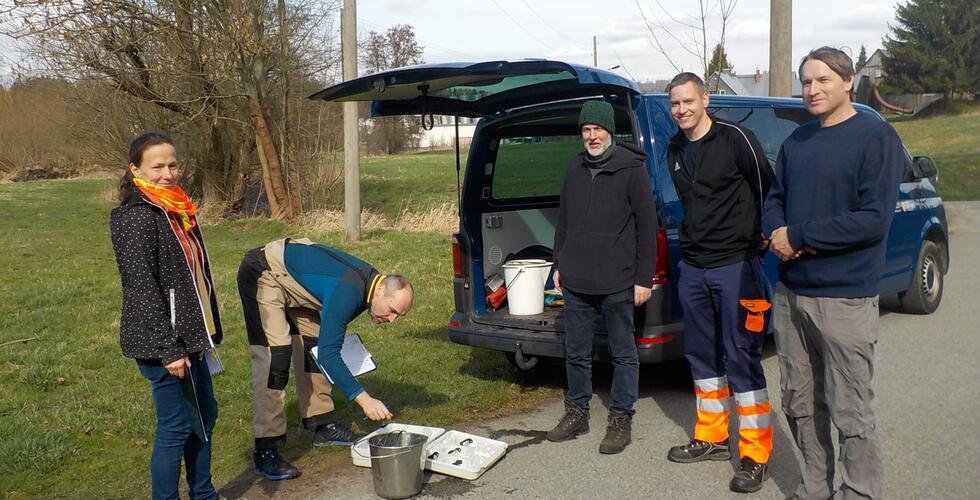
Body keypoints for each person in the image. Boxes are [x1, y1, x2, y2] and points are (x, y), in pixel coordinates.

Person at [763, 47, 903, 500]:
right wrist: (775, 231)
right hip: (792, 294)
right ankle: (814, 488)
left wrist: (799, 235)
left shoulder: (874, 137)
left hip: (844, 297)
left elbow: (873, 218)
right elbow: (774, 200)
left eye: (823, 79)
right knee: (801, 403)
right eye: (805, 81)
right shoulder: (797, 142)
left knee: (850, 408)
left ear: (847, 82)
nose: (812, 89)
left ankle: (859, 492)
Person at [663, 72, 775, 493]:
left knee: (742, 355)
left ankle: (754, 454)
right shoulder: (675, 149)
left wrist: (761, 237)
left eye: (688, 101)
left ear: (705, 99)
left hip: (736, 265)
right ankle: (711, 436)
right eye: (675, 104)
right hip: (694, 267)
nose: (682, 110)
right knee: (701, 356)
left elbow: (768, 190)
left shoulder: (735, 139)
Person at [236, 238, 413, 480]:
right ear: (382, 289)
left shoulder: (368, 287)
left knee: (315, 346)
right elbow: (330, 355)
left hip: (297, 283)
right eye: (392, 310)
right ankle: (265, 450)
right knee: (274, 358)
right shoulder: (351, 290)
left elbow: (327, 347)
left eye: (398, 316)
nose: (391, 320)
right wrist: (365, 399)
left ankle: (323, 425)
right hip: (265, 271)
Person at [109, 132, 223, 500]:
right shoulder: (137, 215)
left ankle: (203, 494)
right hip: (165, 344)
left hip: (191, 335)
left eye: (172, 164)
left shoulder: (175, 207)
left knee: (204, 415)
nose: (167, 173)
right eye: (157, 166)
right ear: (135, 169)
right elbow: (141, 286)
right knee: (176, 427)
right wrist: (168, 348)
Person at [546, 100, 658, 455]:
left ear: (611, 132)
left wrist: (644, 278)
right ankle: (577, 411)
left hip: (618, 280)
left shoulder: (631, 170)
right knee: (575, 351)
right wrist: (558, 264)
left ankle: (621, 417)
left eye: (598, 130)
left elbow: (646, 227)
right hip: (577, 277)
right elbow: (563, 220)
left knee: (623, 353)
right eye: (587, 130)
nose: (592, 136)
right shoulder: (575, 167)